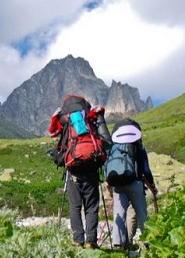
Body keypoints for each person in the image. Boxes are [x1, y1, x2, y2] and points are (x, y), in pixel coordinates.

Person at [49, 95, 111, 249]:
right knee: (91, 206)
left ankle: (78, 240)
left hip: (73, 169)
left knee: (75, 206)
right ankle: (91, 241)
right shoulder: (89, 118)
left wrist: (55, 117)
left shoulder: (65, 120)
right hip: (91, 168)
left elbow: (53, 133)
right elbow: (105, 141)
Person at [108, 119, 158, 249]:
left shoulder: (114, 148)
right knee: (142, 213)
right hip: (135, 183)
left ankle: (119, 244)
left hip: (118, 185)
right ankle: (149, 242)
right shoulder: (138, 146)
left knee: (119, 213)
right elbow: (146, 169)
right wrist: (151, 185)